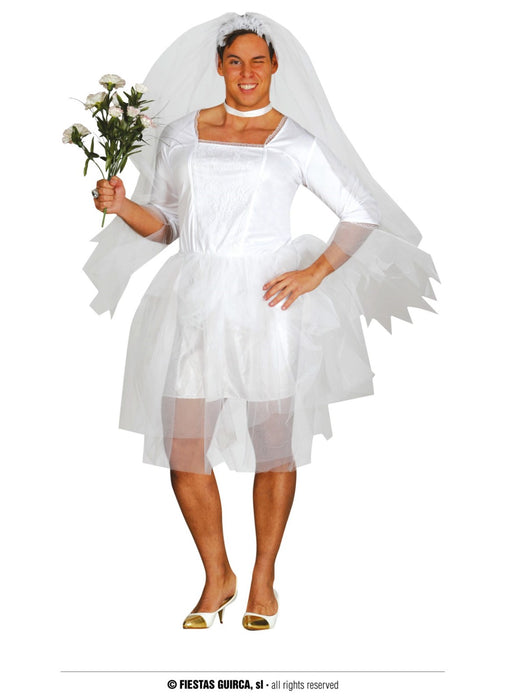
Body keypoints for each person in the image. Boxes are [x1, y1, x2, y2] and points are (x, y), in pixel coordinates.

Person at [85, 13, 439, 630]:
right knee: (184, 446)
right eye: (235, 62)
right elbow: (167, 226)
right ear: (219, 67)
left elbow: (360, 210)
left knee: (273, 444)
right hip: (196, 301)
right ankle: (217, 574)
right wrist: (123, 208)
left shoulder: (294, 141)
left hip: (266, 307)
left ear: (275, 66)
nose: (246, 73)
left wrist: (315, 272)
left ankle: (264, 579)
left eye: (257, 61)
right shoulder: (181, 134)